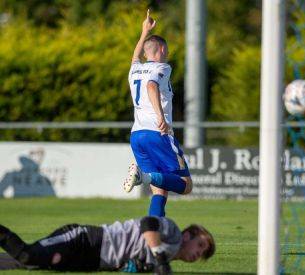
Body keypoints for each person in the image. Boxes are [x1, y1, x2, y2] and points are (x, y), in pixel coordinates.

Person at [123, 10, 192, 217]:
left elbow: (135, 55)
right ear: (161, 49)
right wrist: (161, 117)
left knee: (159, 191)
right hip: (157, 133)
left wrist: (144, 31)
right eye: (167, 49)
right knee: (185, 185)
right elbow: (152, 87)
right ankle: (142, 177)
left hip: (137, 136)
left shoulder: (135, 69)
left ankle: (153, 237)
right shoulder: (162, 67)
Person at [0, 216, 215, 273]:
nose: (199, 254)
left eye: (202, 254)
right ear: (189, 235)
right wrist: (159, 259)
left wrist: (134, 267)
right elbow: (147, 223)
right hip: (84, 240)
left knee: (31, 264)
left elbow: (128, 262)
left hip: (90, 261)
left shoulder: (166, 258)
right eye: (201, 246)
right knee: (27, 255)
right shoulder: (174, 233)